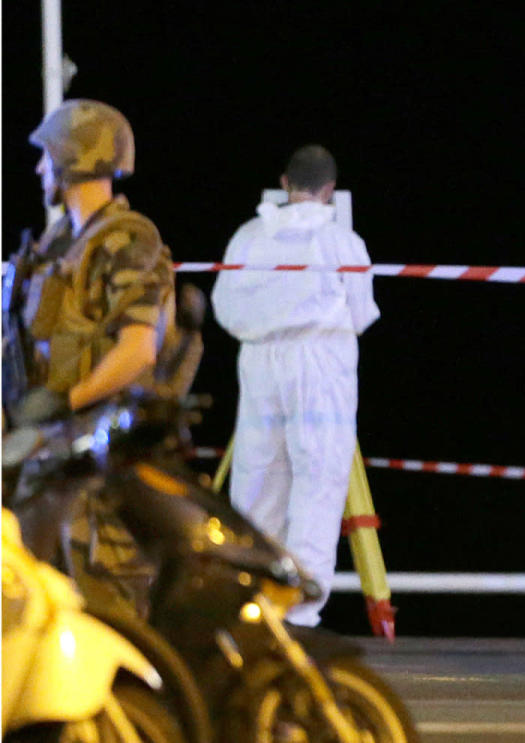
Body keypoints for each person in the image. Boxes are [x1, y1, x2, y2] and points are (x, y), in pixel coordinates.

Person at [211, 145, 379, 627]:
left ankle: (252, 601)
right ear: (329, 191)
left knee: (257, 480)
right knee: (318, 482)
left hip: (261, 365)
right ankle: (301, 612)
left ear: (284, 183)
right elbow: (362, 313)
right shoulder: (342, 243)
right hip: (321, 364)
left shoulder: (247, 237)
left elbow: (224, 308)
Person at [7, 99, 175, 423]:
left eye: (47, 155)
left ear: (71, 157)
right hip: (45, 423)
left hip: (95, 430)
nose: (40, 168)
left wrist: (66, 404)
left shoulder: (128, 239)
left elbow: (139, 350)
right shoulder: (57, 240)